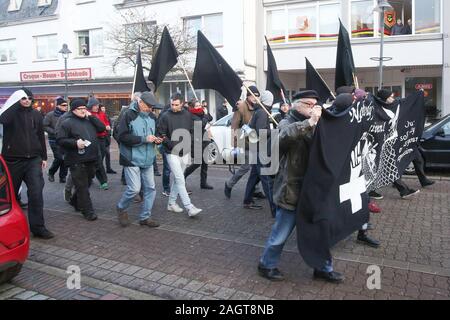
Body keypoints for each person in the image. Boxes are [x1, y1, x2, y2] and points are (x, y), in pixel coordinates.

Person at [258, 90, 344, 283]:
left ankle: (323, 268)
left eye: (315, 104)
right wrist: (309, 123)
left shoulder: (319, 123)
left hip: (314, 191)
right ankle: (266, 264)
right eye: (308, 104)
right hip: (292, 190)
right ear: (296, 104)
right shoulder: (286, 122)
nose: (312, 108)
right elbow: (281, 139)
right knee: (281, 233)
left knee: (320, 233)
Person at [0, 88, 54, 239]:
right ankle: (8, 226)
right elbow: (2, 120)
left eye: (29, 98)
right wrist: (14, 104)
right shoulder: (10, 114)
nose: (27, 101)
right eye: (23, 98)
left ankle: (38, 228)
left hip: (33, 160)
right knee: (9, 195)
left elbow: (39, 136)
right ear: (17, 99)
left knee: (36, 193)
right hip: (13, 160)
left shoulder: (36, 114)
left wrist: (43, 156)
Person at [116, 92, 162, 228]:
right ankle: (121, 207)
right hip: (131, 158)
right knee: (134, 189)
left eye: (152, 107)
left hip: (148, 158)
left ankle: (145, 217)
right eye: (148, 106)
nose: (150, 109)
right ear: (140, 102)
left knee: (151, 188)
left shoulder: (153, 116)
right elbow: (122, 136)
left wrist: (157, 139)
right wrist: (143, 139)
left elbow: (157, 133)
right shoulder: (128, 115)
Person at [57, 98, 106, 221]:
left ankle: (74, 201)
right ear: (73, 110)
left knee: (87, 183)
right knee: (82, 186)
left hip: (91, 157)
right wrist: (74, 143)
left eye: (84, 108)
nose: (83, 111)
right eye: (80, 109)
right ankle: (88, 211)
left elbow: (101, 128)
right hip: (76, 159)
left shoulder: (89, 120)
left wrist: (92, 117)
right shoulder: (67, 122)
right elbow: (60, 140)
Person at [157, 94, 202, 217]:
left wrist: (189, 140)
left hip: (185, 151)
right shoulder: (165, 116)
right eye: (172, 104)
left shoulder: (188, 115)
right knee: (180, 179)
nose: (173, 107)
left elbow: (195, 129)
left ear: (182, 103)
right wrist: (171, 144)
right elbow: (161, 133)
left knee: (179, 178)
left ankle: (171, 203)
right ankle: (189, 207)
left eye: (176, 104)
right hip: (171, 152)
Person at [224, 86, 265, 201]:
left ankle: (255, 190)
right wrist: (235, 145)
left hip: (256, 141)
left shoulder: (258, 106)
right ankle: (229, 184)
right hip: (245, 142)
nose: (256, 98)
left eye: (257, 96)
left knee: (257, 168)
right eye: (253, 95)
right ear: (248, 96)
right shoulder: (241, 107)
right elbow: (234, 126)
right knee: (246, 167)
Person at [243, 90, 276, 217]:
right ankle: (275, 208)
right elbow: (261, 132)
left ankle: (247, 200)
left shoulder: (259, 110)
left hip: (256, 148)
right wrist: (273, 131)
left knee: (254, 176)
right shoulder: (262, 112)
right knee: (266, 178)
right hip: (260, 148)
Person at [184, 100, 214, 190]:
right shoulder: (190, 115)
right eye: (197, 106)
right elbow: (200, 125)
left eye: (199, 105)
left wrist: (206, 113)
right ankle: (184, 174)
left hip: (205, 139)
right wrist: (205, 116)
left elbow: (210, 118)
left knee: (205, 162)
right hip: (196, 141)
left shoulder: (201, 113)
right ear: (192, 107)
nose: (199, 107)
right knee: (197, 162)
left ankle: (203, 183)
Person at [44, 97, 69, 183]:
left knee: (65, 159)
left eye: (66, 105)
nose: (66, 107)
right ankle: (51, 172)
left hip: (65, 140)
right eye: (63, 105)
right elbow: (45, 126)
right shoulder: (50, 115)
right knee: (59, 158)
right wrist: (54, 132)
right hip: (54, 140)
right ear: (58, 106)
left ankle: (63, 177)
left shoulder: (68, 115)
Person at [87, 97, 110, 190]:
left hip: (102, 139)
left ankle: (90, 176)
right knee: (98, 160)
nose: (97, 107)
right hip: (93, 139)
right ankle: (103, 181)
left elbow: (106, 122)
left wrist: (107, 125)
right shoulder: (88, 115)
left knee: (98, 160)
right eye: (95, 105)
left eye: (97, 105)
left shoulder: (101, 113)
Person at [100, 104, 117, 175]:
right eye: (102, 108)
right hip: (101, 138)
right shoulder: (98, 116)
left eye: (104, 108)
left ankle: (108, 168)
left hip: (106, 138)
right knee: (102, 155)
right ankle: (99, 169)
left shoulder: (106, 116)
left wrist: (109, 133)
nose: (103, 109)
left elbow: (109, 125)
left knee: (107, 154)